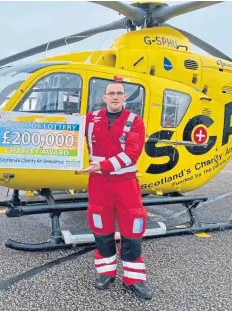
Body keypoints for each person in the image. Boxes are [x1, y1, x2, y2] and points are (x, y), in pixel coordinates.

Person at [79, 81, 153, 300]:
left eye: (119, 93)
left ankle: (134, 279)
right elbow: (66, 133)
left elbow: (132, 154)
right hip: (98, 185)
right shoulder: (90, 119)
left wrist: (102, 166)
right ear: (104, 97)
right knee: (101, 230)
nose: (115, 97)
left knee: (132, 231)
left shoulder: (134, 121)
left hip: (126, 184)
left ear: (124, 98)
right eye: (111, 93)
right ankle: (106, 273)